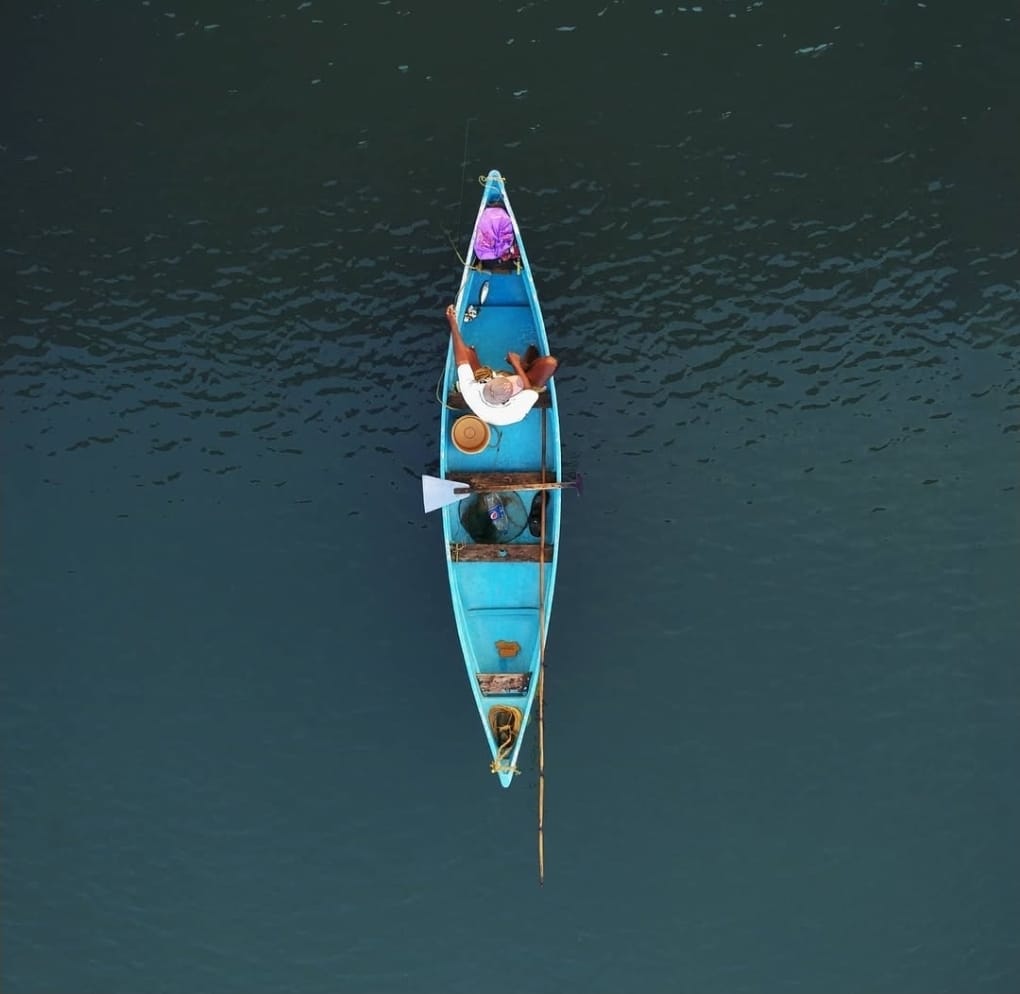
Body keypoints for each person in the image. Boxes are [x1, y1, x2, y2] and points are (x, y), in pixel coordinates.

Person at [445, 304, 558, 426]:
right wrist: (515, 364)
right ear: (508, 400)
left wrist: (453, 323)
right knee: (550, 364)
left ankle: (524, 366)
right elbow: (528, 391)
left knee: (467, 352)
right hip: (523, 387)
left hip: (485, 383)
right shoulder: (515, 411)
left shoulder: (471, 391)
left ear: (488, 382)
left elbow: (461, 360)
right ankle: (524, 366)